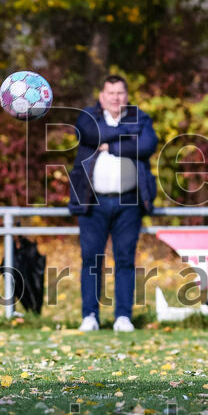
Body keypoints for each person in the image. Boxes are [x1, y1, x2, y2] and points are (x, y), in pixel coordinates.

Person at [68, 75, 158, 332]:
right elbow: (89, 134)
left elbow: (148, 145)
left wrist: (111, 146)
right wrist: (127, 137)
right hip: (92, 202)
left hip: (129, 202)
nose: (115, 98)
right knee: (91, 259)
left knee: (125, 259)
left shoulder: (140, 117)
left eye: (120, 93)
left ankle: (123, 317)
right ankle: (90, 316)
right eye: (111, 93)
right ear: (101, 96)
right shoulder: (88, 116)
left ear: (126, 96)